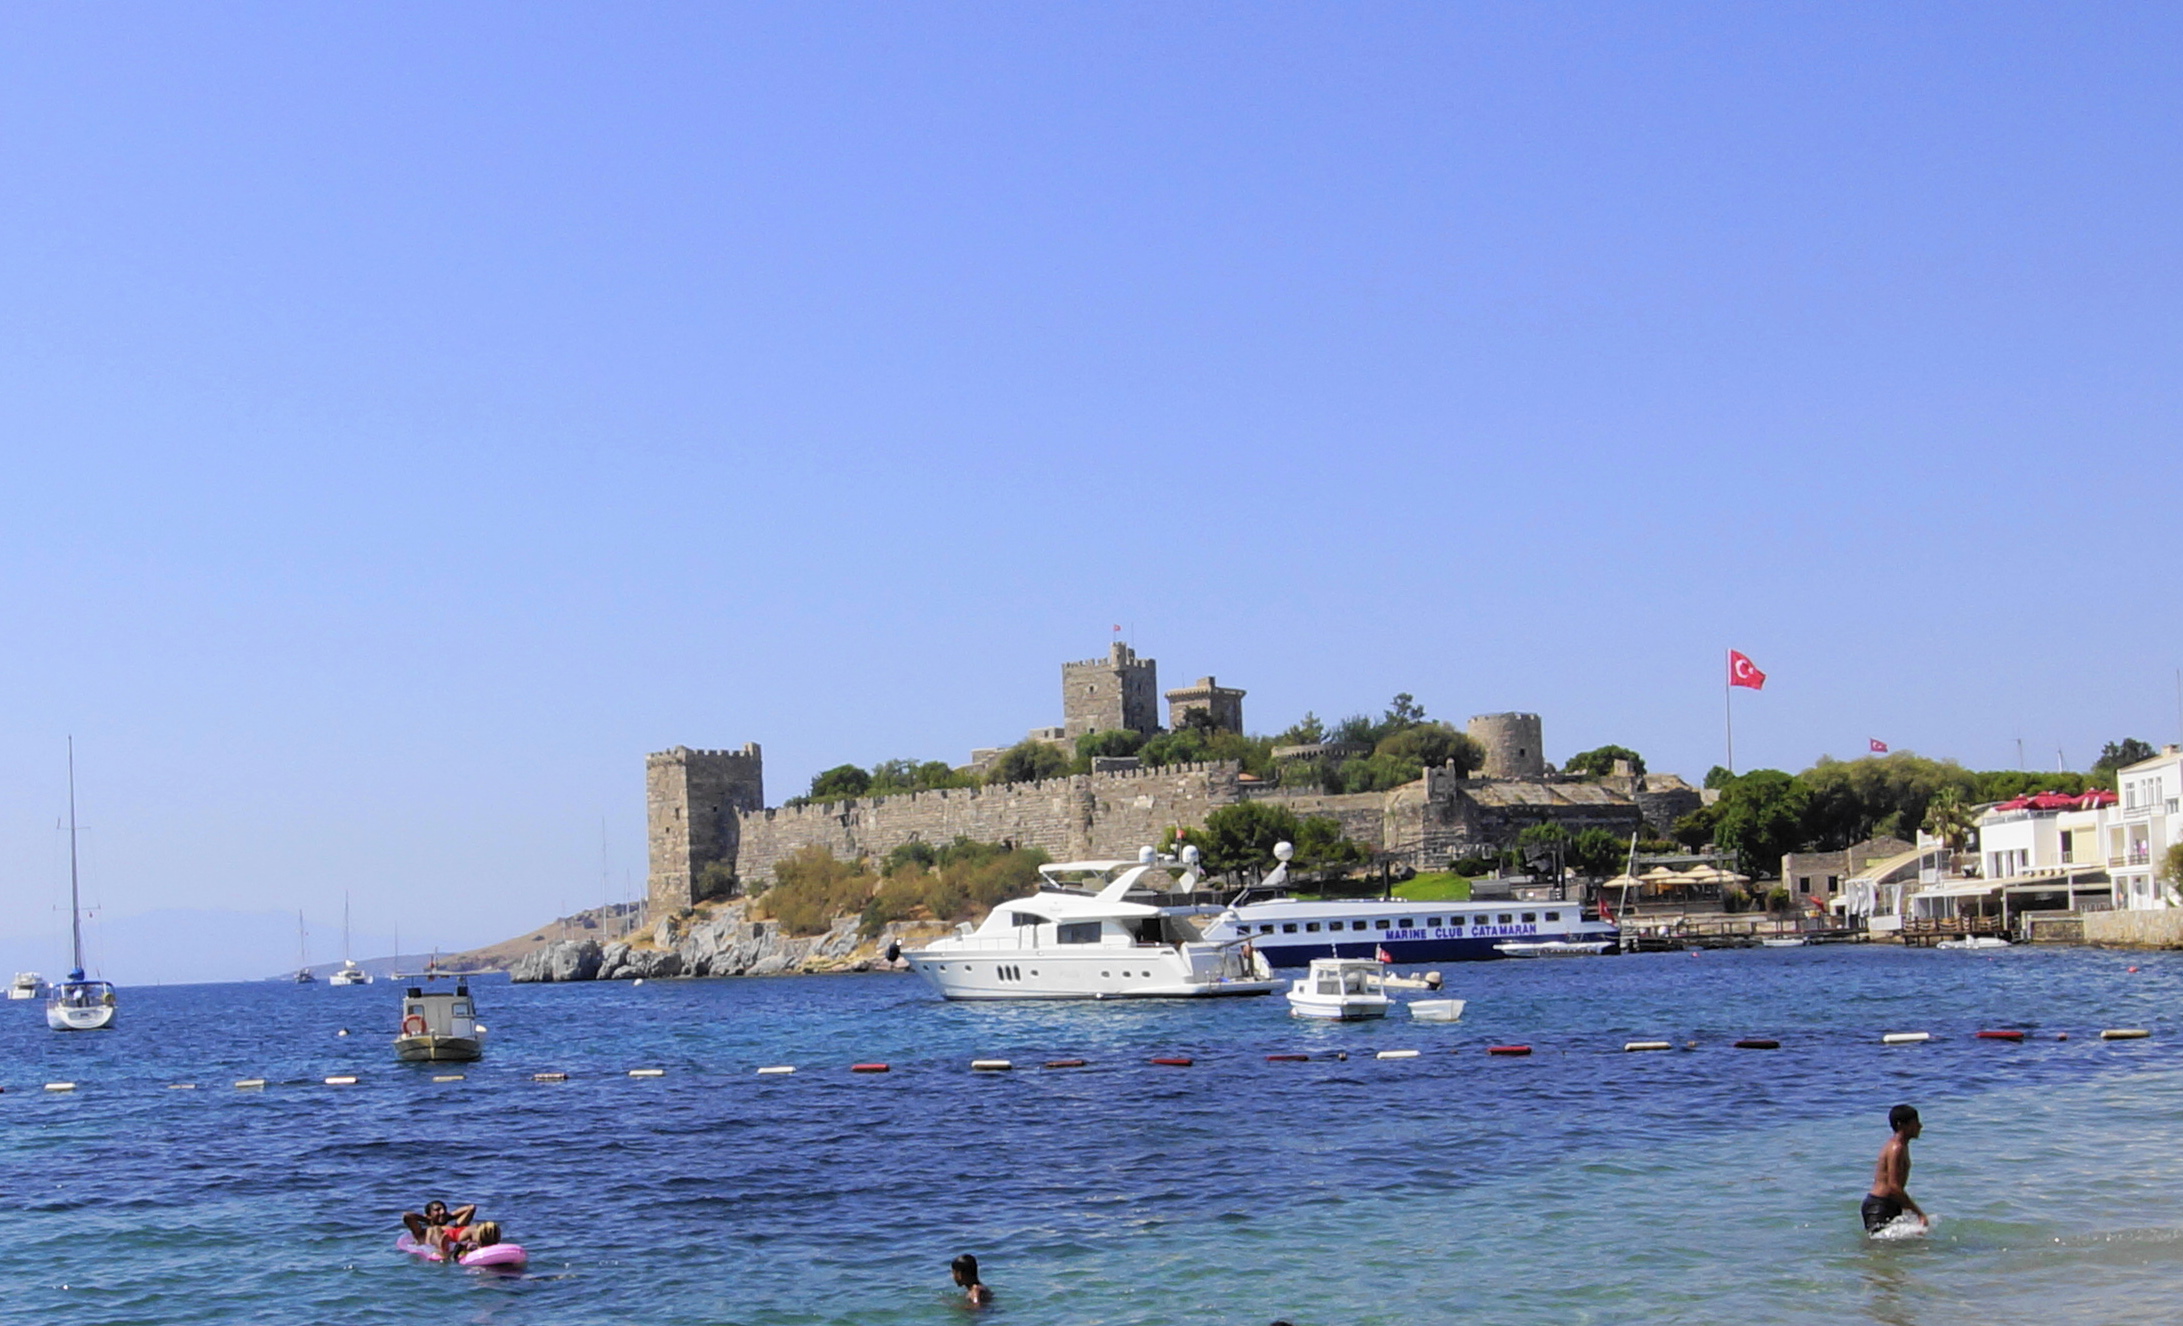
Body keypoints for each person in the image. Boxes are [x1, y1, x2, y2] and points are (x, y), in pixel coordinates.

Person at [1863, 1104, 1928, 1234]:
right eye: (1915, 1123)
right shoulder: (1896, 1148)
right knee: (1879, 1250)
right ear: (1901, 1125)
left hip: (1889, 1204)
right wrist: (1919, 1213)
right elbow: (1894, 1187)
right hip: (1880, 1206)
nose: (1920, 1126)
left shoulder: (1900, 1146)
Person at [402, 1199, 477, 1247]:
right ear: (429, 1214)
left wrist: (449, 1216)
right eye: (437, 1210)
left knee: (473, 1227)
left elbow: (471, 1208)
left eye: (444, 1209)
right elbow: (407, 1216)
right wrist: (427, 1219)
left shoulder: (454, 1227)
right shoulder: (421, 1231)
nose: (442, 1212)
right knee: (435, 1229)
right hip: (436, 1246)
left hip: (455, 1243)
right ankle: (442, 1248)